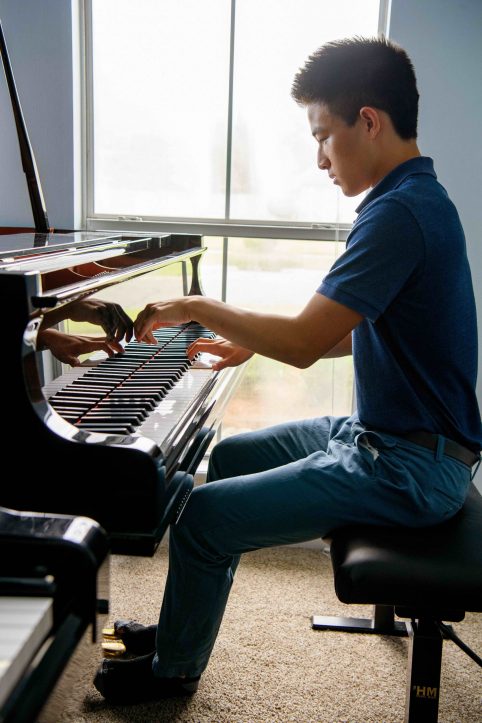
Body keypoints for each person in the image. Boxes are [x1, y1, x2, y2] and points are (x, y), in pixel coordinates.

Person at [93, 36, 482, 704]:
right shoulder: (414, 199)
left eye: (324, 136)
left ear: (368, 120)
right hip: (390, 434)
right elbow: (342, 331)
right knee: (235, 456)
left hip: (412, 467)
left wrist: (196, 304)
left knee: (203, 518)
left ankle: (173, 671)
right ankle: (182, 629)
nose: (320, 157)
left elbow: (304, 342)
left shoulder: (399, 214)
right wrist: (251, 343)